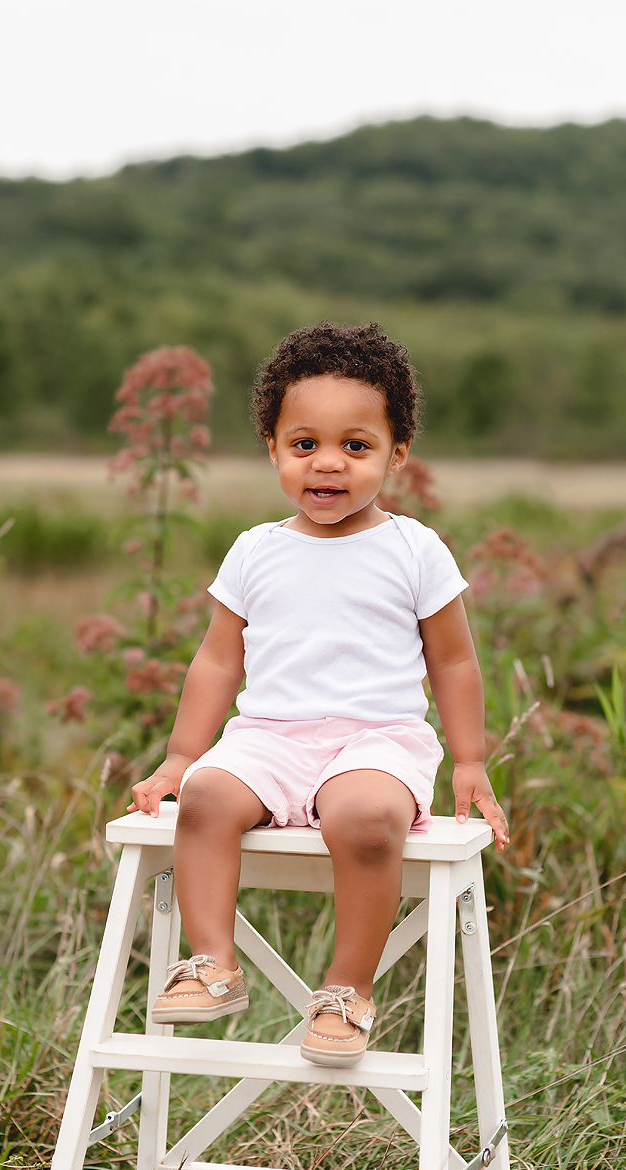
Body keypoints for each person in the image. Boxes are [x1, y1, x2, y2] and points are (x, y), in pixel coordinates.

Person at [128, 322, 510, 1068]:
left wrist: (468, 760)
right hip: (268, 735)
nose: (327, 464)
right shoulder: (255, 549)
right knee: (205, 797)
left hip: (375, 740)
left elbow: (454, 661)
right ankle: (213, 964)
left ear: (396, 453)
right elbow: (216, 661)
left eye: (355, 447)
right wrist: (180, 757)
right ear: (272, 447)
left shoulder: (413, 549)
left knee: (367, 819)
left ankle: (345, 991)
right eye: (304, 445)